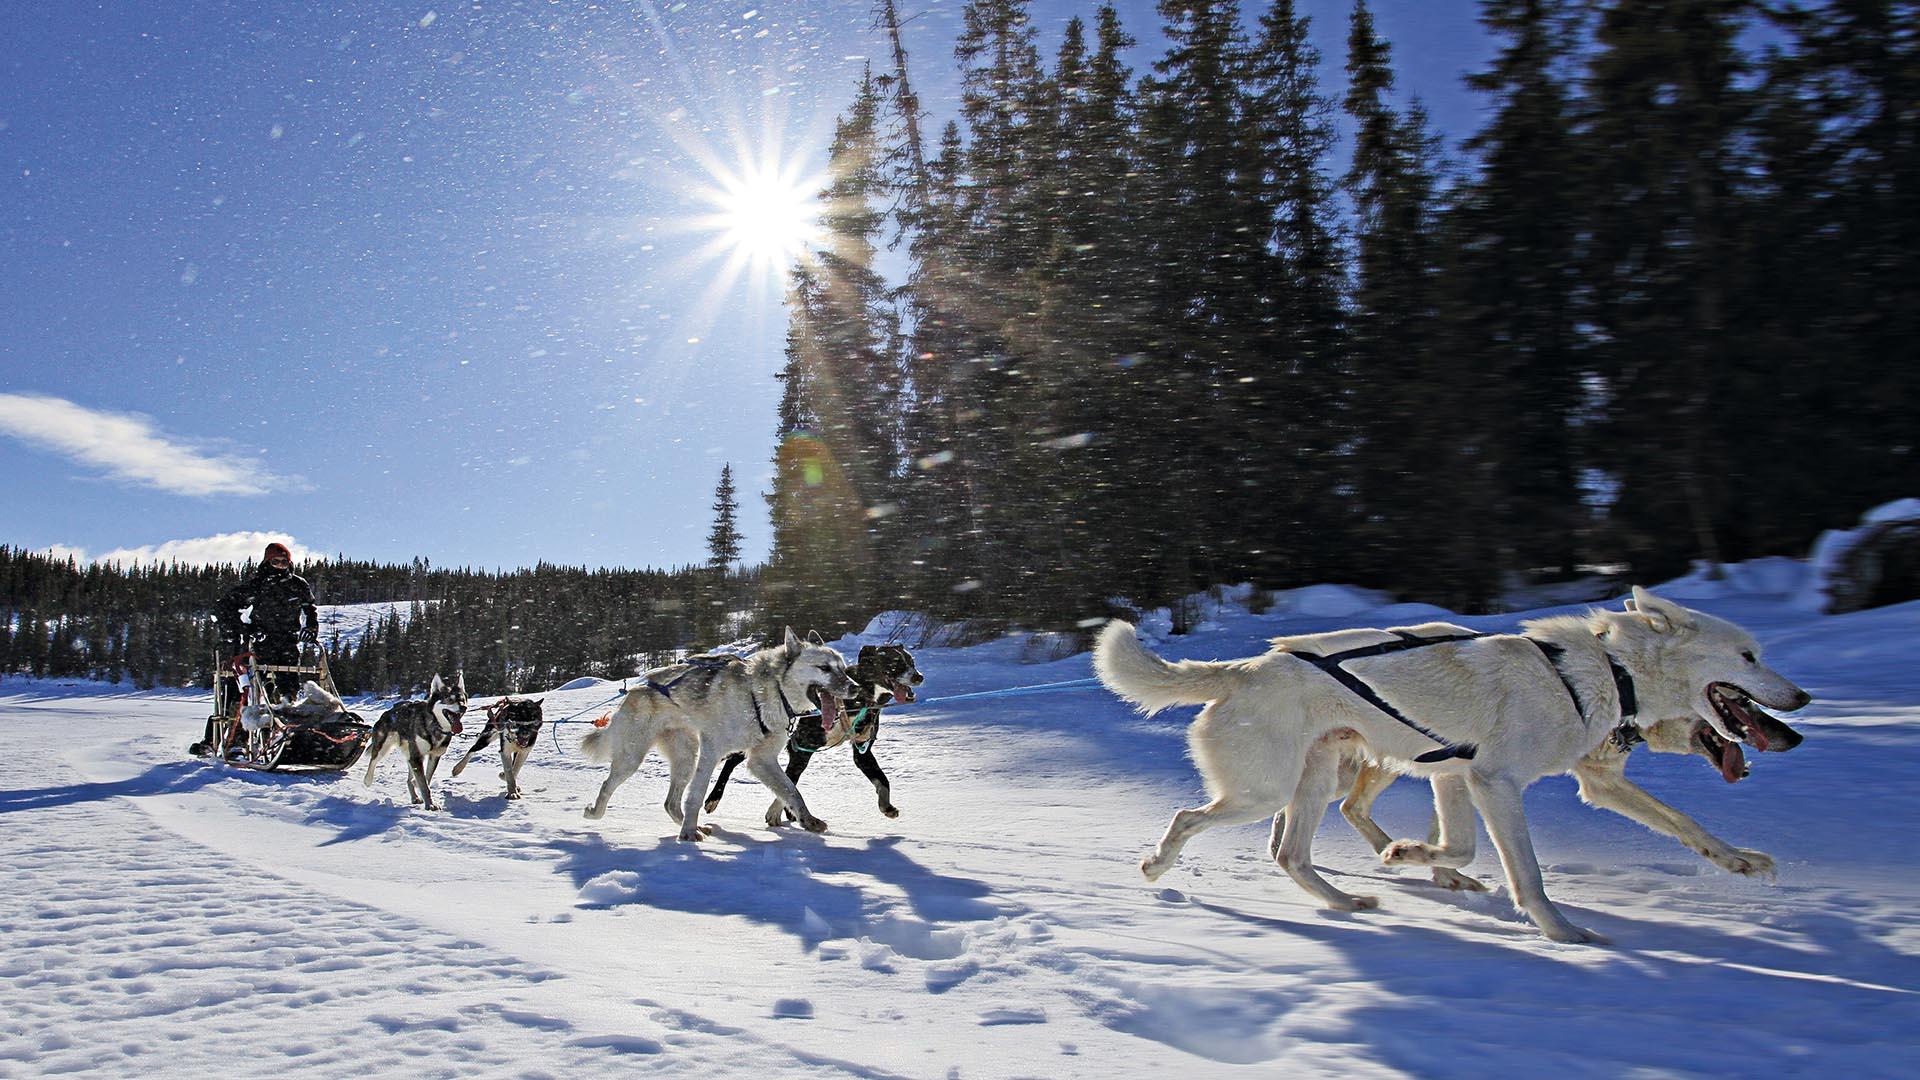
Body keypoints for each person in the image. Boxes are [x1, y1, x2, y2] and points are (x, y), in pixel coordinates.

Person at [190, 542, 319, 755]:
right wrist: (247, 629)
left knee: (287, 694)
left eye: (283, 561)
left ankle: (282, 739)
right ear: (267, 561)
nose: (279, 565)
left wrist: (311, 628)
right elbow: (224, 607)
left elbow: (309, 610)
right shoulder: (256, 585)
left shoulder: (298, 585)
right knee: (241, 692)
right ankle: (229, 740)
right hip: (258, 646)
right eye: (275, 561)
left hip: (287, 646)